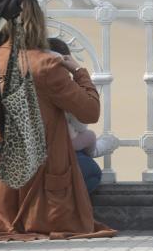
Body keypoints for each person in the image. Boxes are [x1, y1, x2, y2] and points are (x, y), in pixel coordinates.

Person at [0, 0, 116, 241]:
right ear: (37, 21)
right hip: (43, 192)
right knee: (90, 170)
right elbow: (90, 112)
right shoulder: (45, 65)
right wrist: (80, 72)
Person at [47, 38, 105, 194]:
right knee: (91, 172)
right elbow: (88, 116)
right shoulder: (63, 85)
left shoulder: (25, 75)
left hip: (30, 156)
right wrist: (78, 72)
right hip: (61, 150)